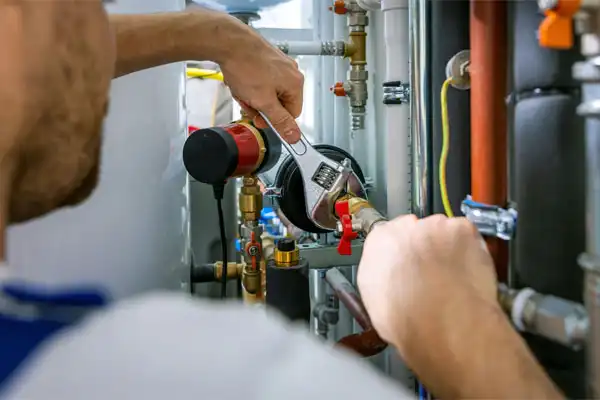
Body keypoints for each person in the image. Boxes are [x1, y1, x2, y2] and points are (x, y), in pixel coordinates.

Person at [0, 2, 563, 399]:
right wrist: (457, 323)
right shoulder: (191, 377)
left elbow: (50, 52)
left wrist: (214, 34)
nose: (98, 34)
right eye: (83, 7)